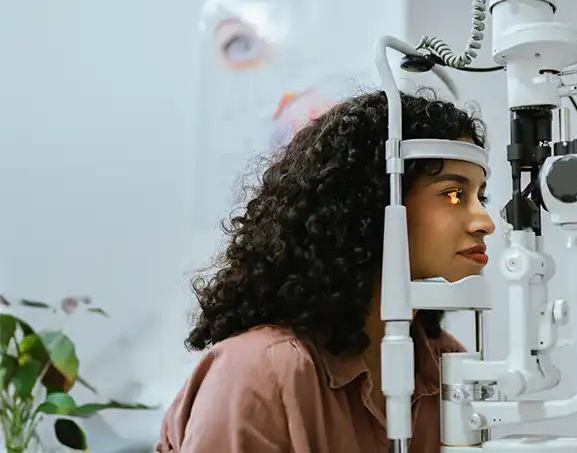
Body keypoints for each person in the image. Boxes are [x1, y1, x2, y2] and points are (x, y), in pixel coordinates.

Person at [155, 88, 496, 453]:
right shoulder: (261, 371)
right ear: (373, 200)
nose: (485, 222)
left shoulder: (444, 363)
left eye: (481, 197)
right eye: (453, 194)